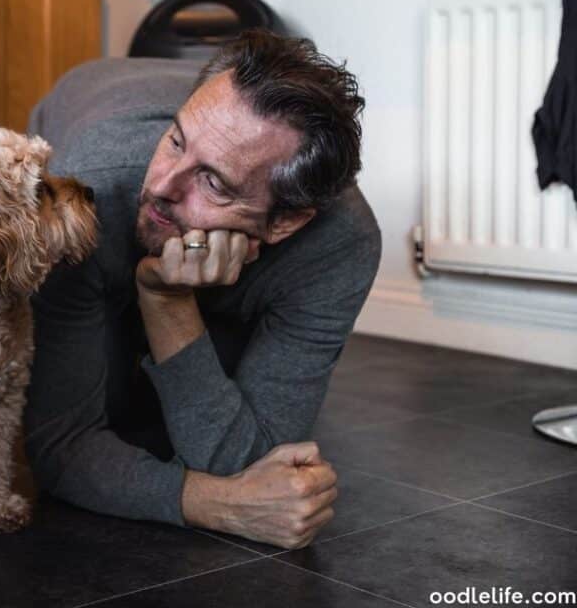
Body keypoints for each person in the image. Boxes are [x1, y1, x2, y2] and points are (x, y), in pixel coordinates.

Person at [23, 29, 382, 550]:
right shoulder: (86, 198)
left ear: (284, 223)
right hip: (87, 98)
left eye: (214, 182)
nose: (164, 186)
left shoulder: (341, 245)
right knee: (112, 396)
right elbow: (60, 443)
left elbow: (250, 462)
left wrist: (166, 302)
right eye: (175, 141)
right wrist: (218, 505)